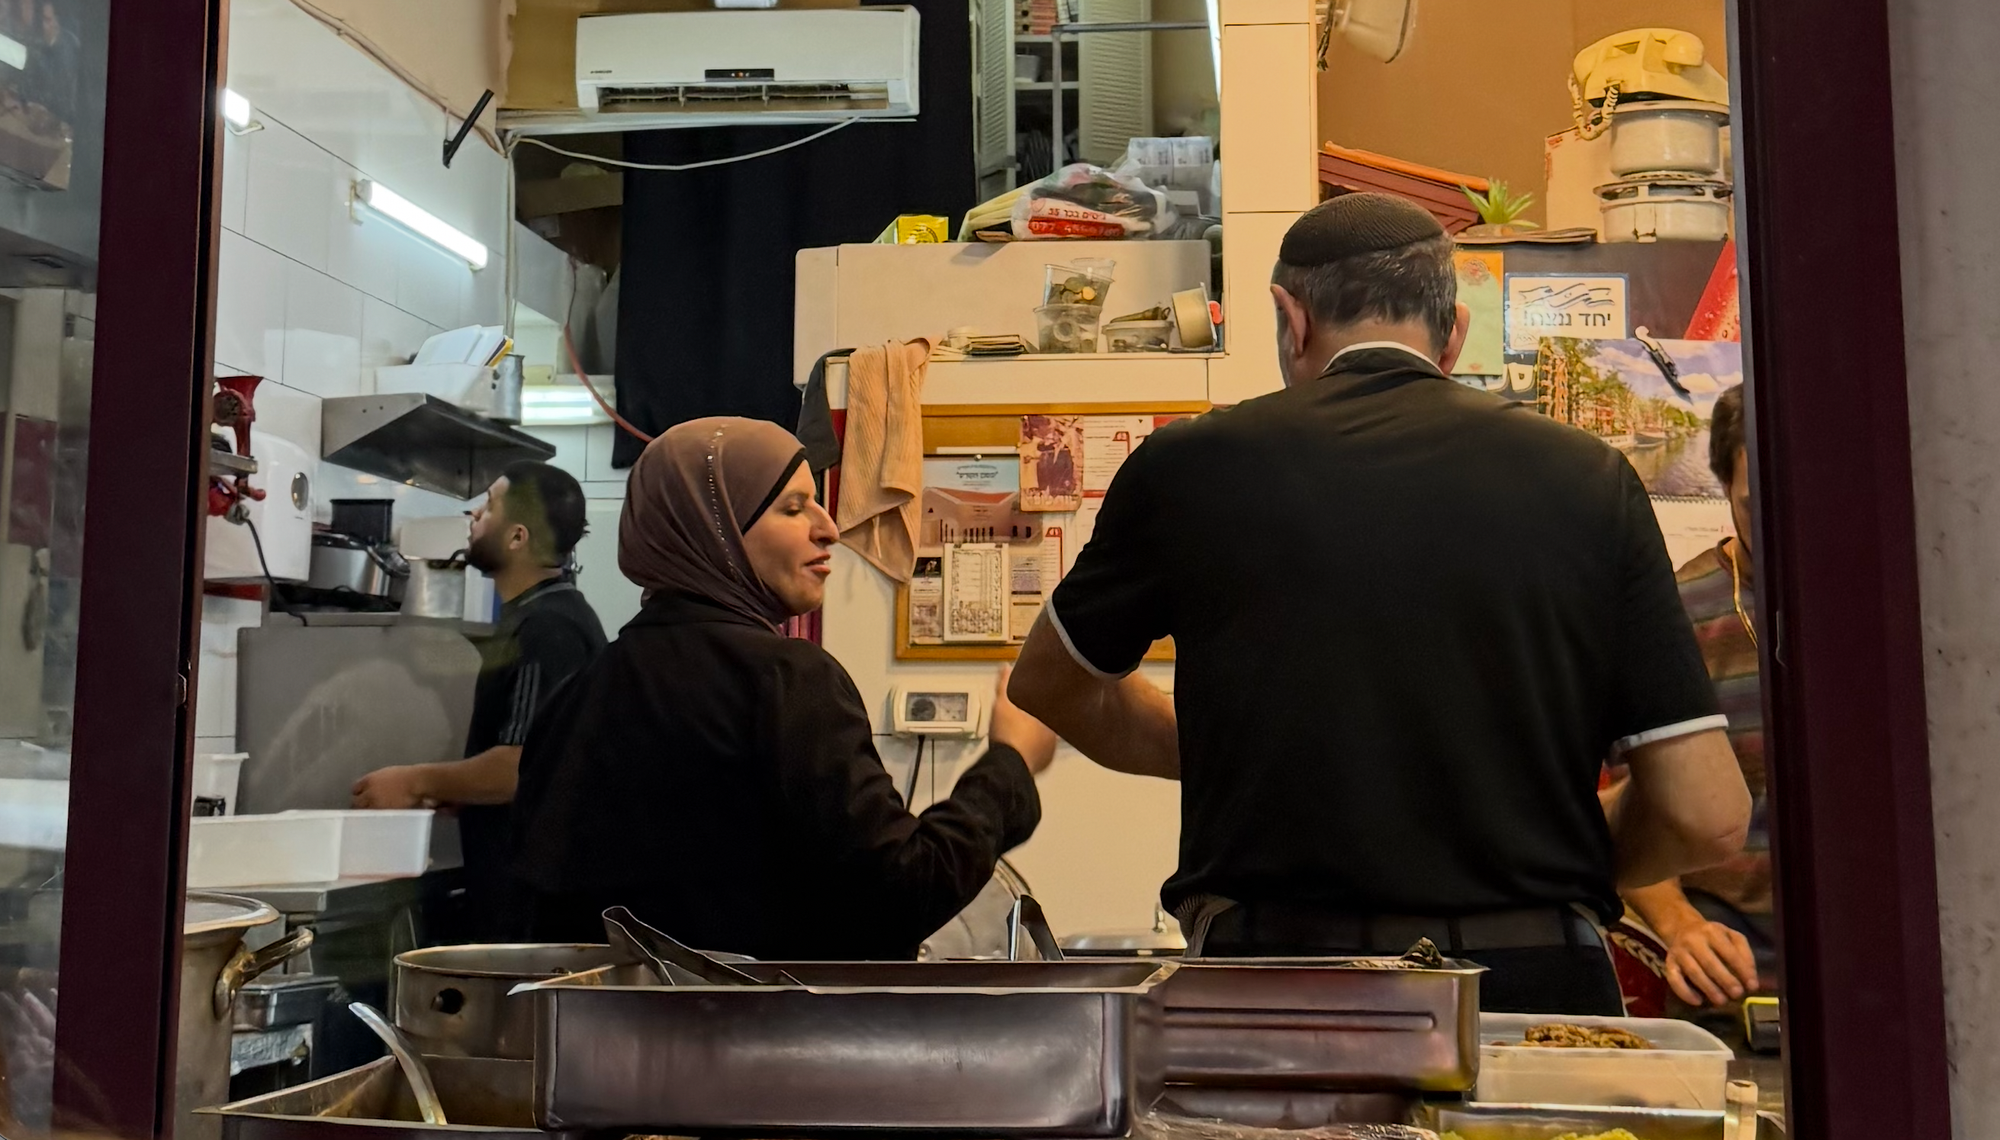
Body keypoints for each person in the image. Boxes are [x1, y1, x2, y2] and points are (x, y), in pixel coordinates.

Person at [1009, 192, 1752, 1015]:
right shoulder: (1592, 479)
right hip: (1534, 987)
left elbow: (1050, 686)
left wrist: (1249, 755)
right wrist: (1552, 854)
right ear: (1454, 332)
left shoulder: (1188, 468)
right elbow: (1708, 813)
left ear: (1290, 319)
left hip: (1274, 988)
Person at [507, 417, 1058, 959]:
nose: (829, 528)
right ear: (713, 528)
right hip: (763, 1038)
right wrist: (1009, 763)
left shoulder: (576, 698)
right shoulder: (786, 678)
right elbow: (902, 889)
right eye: (792, 508)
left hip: (607, 1041)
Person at [352, 461, 606, 940]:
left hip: (531, 909)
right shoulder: (550, 617)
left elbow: (519, 766)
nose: (473, 514)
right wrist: (460, 789)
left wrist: (413, 781)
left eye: (488, 506)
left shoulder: (548, 629)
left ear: (517, 538)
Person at [1617, 385, 1769, 1008]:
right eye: (1756, 504)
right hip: (1731, 995)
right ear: (1724, 490)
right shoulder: (1675, 616)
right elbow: (1623, 812)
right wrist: (1680, 924)